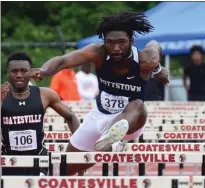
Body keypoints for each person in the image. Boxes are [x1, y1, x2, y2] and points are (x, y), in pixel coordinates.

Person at [31, 11, 169, 175]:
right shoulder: (97, 53)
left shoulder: (146, 60)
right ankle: (108, 140)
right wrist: (44, 70)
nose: (116, 48)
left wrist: (158, 68)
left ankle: (115, 139)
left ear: (131, 41)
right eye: (110, 43)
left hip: (131, 119)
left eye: (122, 43)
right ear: (104, 42)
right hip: (99, 115)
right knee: (65, 169)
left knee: (138, 105)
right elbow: (63, 61)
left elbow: (154, 43)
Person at [1, 52, 80, 176]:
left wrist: (79, 151)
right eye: (14, 71)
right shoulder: (2, 95)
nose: (19, 75)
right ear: (7, 73)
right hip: (10, 162)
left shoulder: (45, 95)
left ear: (30, 72)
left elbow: (71, 117)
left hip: (39, 160)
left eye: (24, 71)